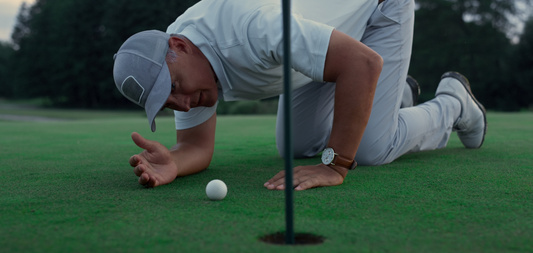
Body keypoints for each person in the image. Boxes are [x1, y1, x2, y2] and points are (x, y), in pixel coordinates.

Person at [113, 0, 486, 191]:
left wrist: (334, 165)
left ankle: (454, 104)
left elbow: (361, 63)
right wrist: (176, 161)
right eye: (166, 102)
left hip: (374, 11)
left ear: (180, 45)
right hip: (323, 44)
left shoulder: (251, 29)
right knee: (297, 144)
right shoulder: (182, 60)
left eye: (175, 89)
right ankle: (388, 99)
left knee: (370, 149)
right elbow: (197, 146)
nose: (181, 104)